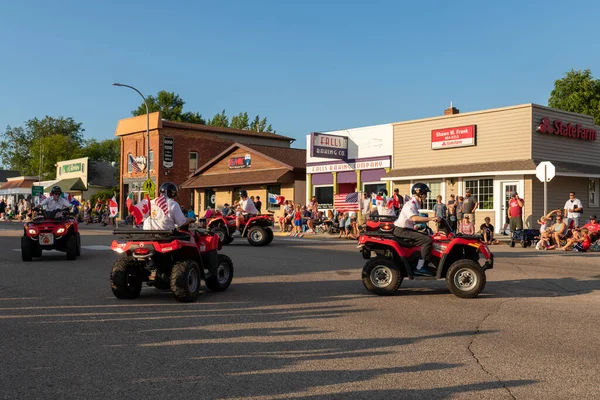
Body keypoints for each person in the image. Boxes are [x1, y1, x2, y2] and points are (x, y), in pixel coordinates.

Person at [393, 183, 440, 276]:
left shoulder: (415, 204)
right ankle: (420, 267)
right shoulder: (410, 204)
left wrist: (417, 226)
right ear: (420, 193)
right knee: (427, 241)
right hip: (402, 231)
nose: (426, 196)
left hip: (406, 230)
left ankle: (424, 262)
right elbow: (414, 218)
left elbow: (412, 220)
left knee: (428, 236)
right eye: (425, 194)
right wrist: (431, 218)